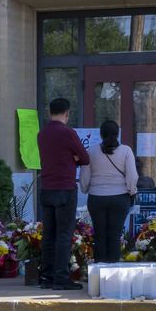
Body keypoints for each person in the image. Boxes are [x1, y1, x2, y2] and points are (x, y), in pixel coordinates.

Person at [36, 98, 90, 290]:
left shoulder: (42, 134)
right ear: (67, 113)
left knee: (49, 234)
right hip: (65, 189)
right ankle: (61, 277)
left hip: (47, 189)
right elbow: (84, 158)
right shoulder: (68, 133)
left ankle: (47, 276)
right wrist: (73, 158)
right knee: (64, 234)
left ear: (50, 112)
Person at [80, 119, 139, 263]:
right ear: (117, 134)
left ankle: (99, 271)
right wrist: (132, 191)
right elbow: (132, 175)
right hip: (120, 198)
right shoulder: (126, 151)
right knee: (114, 235)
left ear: (100, 134)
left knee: (99, 235)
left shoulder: (91, 151)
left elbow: (84, 176)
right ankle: (112, 274)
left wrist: (85, 189)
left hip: (96, 198)